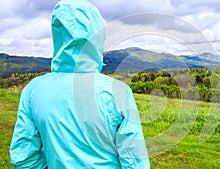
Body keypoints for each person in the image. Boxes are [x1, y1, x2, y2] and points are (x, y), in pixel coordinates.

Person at [9, 0, 150, 168]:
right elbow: (135, 163)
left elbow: (24, 158)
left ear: (57, 34)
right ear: (98, 39)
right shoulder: (118, 92)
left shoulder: (33, 90)